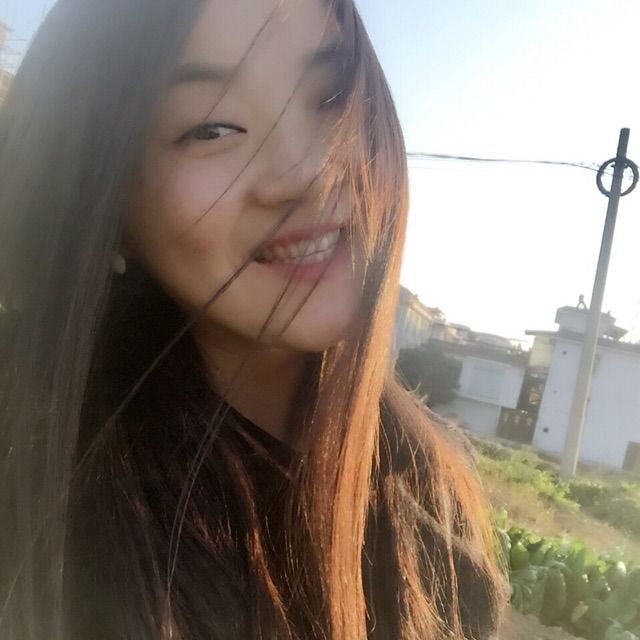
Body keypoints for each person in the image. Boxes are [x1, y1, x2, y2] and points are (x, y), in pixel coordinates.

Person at [0, 0, 509, 638]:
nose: (307, 173)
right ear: (108, 201)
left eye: (333, 96)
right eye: (211, 129)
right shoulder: (41, 492)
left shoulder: (427, 483)